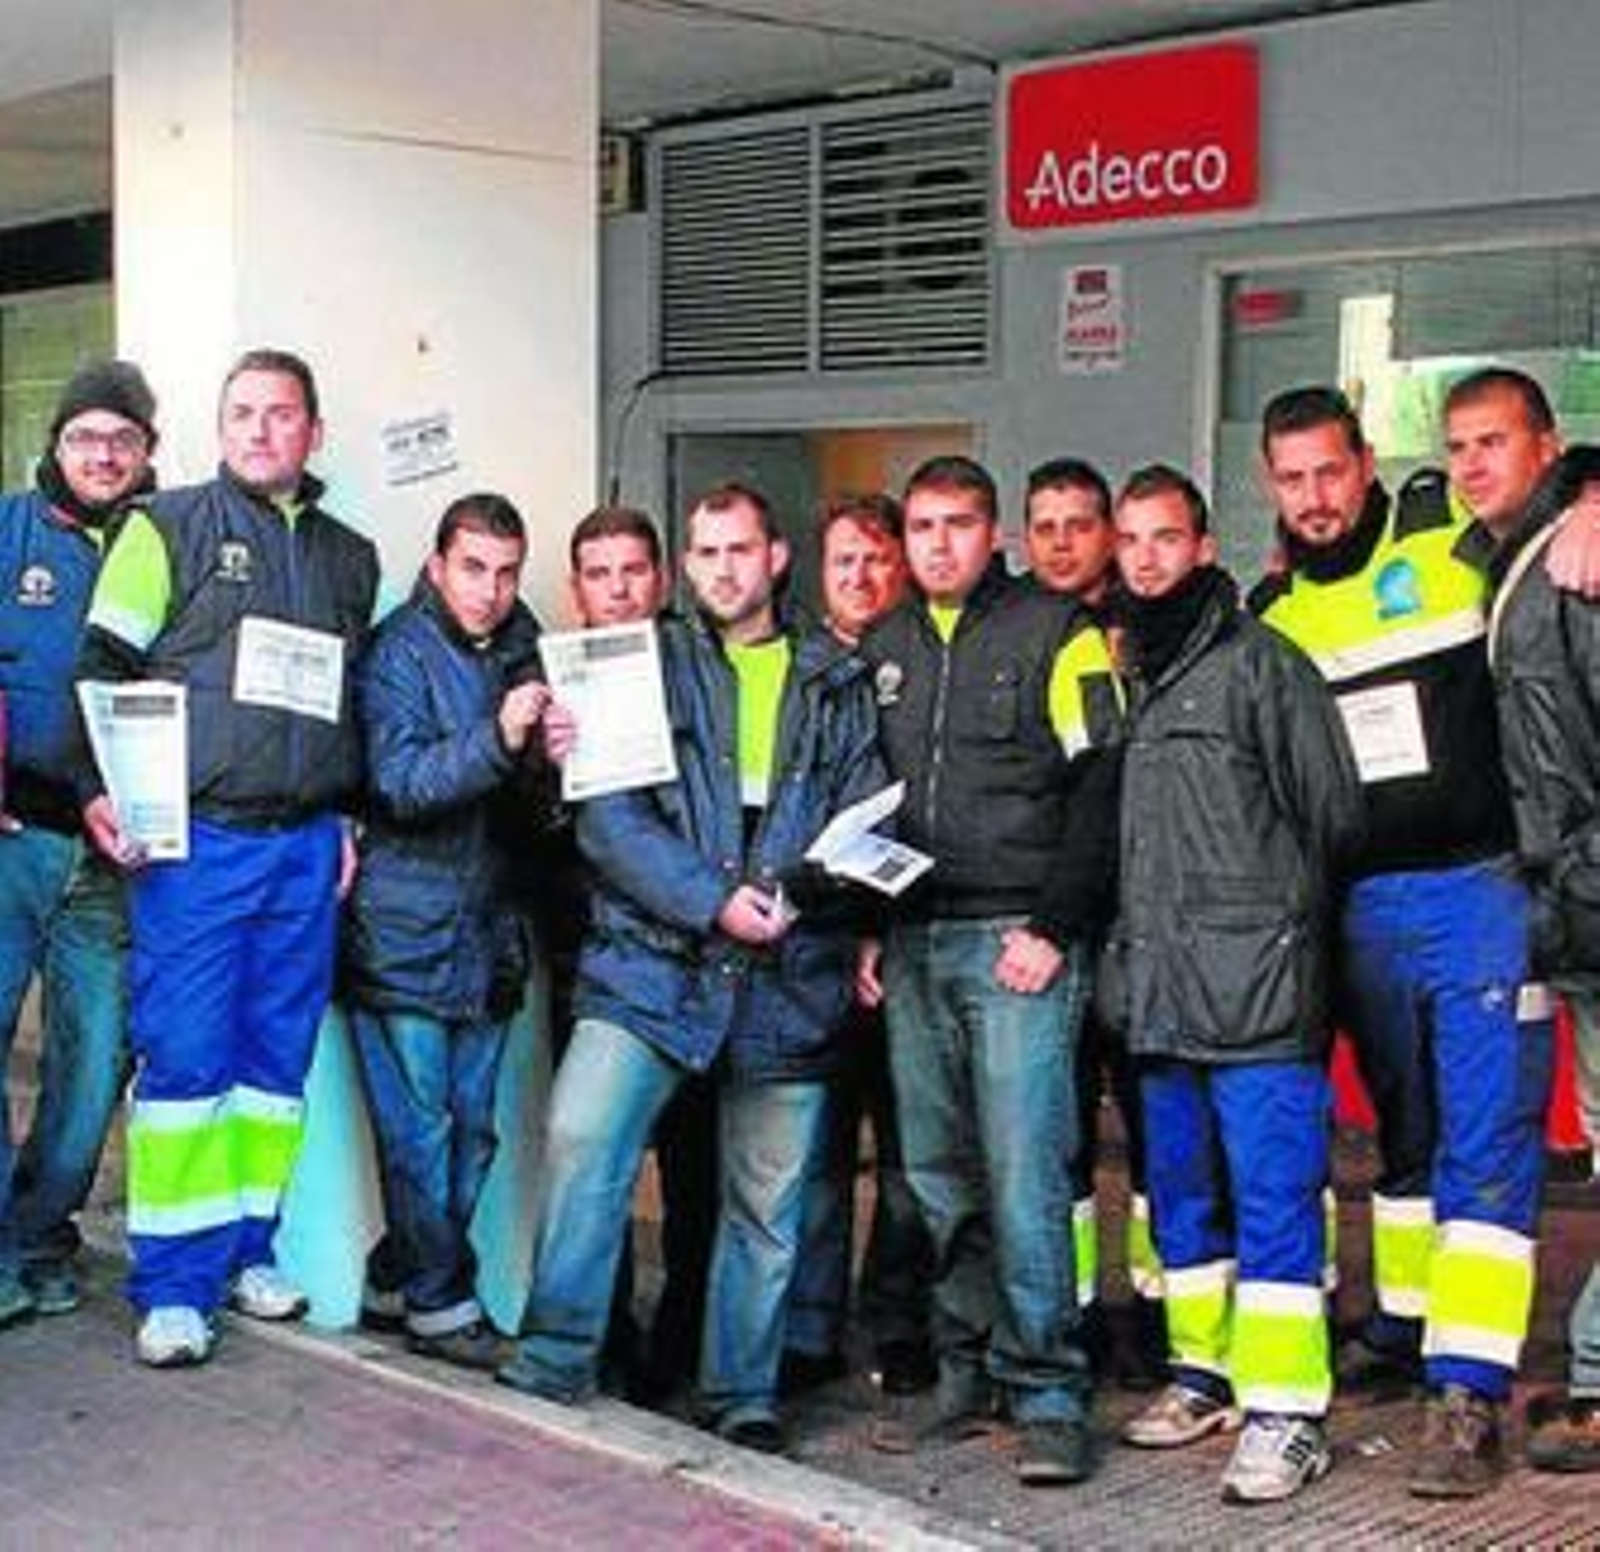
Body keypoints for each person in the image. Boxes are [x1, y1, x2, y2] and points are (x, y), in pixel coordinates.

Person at [500, 482, 884, 1453]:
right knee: (584, 1139)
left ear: (775, 558)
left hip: (789, 973)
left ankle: (739, 1391)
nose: (723, 569)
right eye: (706, 553)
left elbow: (868, 809)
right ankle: (554, 1357)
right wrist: (711, 900)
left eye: (739, 550)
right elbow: (608, 820)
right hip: (652, 964)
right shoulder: (635, 663)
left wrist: (803, 891)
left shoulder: (833, 677)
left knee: (765, 1204)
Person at [1249, 382, 1560, 1497]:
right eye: (1291, 478)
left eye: (1331, 470)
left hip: (1478, 890)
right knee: (1406, 1135)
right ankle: (1412, 1329)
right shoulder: (1269, 614)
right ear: (1268, 486)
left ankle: (1469, 1393)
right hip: (1356, 906)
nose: (1315, 495)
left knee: (1487, 1133)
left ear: (1366, 462)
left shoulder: (1454, 552)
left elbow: (1551, 517)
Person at [75, 347, 380, 1368]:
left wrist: (348, 818)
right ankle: (172, 1284)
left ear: (313, 431)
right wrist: (94, 794)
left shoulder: (351, 557)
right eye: (241, 412)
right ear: (220, 428)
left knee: (272, 1067)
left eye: (281, 413)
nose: (259, 429)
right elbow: (98, 672)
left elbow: (351, 703)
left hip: (304, 851)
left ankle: (248, 1250)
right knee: (189, 1061)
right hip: (195, 848)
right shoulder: (165, 529)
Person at [857, 454, 1120, 1486]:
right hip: (916, 944)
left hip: (1016, 941)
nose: (937, 543)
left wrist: (1054, 926)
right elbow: (866, 804)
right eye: (920, 526)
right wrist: (873, 928)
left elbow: (1104, 781)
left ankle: (1050, 1393)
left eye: (958, 524)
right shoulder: (883, 647)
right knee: (934, 1178)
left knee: (1024, 1177)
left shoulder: (1058, 631)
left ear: (994, 530)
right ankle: (966, 1372)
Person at [1104, 465, 1361, 1504]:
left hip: (1258, 992)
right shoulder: (1132, 670)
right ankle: (1203, 1373)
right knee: (1181, 1199)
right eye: (1132, 540)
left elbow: (1332, 815)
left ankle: (1289, 1411)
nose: (1147, 556)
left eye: (1166, 537)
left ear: (1203, 547)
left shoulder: (1263, 665)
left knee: (1274, 1203)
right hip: (1164, 990)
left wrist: (1276, 933)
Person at [343, 493, 565, 1370]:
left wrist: (552, 760)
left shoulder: (527, 644)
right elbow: (397, 784)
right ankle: (441, 1305)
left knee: (474, 1134)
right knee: (422, 1136)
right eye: (473, 568)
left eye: (507, 572)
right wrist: (501, 736)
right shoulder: (397, 651)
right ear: (437, 567)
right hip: (402, 931)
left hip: (489, 931)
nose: (491, 589)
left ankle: (396, 1280)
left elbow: (535, 809)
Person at [0, 360, 157, 1329]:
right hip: (11, 843)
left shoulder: (165, 539)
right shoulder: (9, 531)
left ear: (147, 451)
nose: (102, 453)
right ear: (57, 444)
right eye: (85, 436)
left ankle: (38, 1235)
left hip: (111, 861)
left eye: (122, 438)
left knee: (92, 1065)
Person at [782, 493, 938, 1399]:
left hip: (905, 942)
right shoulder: (798, 671)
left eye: (878, 559)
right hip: (811, 945)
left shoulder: (924, 663)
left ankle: (899, 1324)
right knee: (817, 1153)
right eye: (844, 559)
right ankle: (807, 1327)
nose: (861, 576)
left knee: (913, 1156)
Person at [560, 504, 715, 1403]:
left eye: (632, 571)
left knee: (696, 1173)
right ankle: (602, 1339)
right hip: (584, 954)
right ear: (577, 588)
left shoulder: (704, 671)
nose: (618, 589)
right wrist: (540, 762)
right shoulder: (550, 677)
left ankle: (679, 1348)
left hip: (692, 959)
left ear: (659, 578)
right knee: (592, 1163)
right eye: (598, 574)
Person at [1022, 456, 1165, 1392]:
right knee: (1059, 1137)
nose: (1066, 541)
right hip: (1055, 923)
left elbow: (1117, 782)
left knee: (1157, 1138)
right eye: (1048, 526)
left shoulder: (1155, 626)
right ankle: (1071, 1314)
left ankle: (1152, 1316)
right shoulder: (1017, 629)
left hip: (1145, 921)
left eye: (1082, 522)